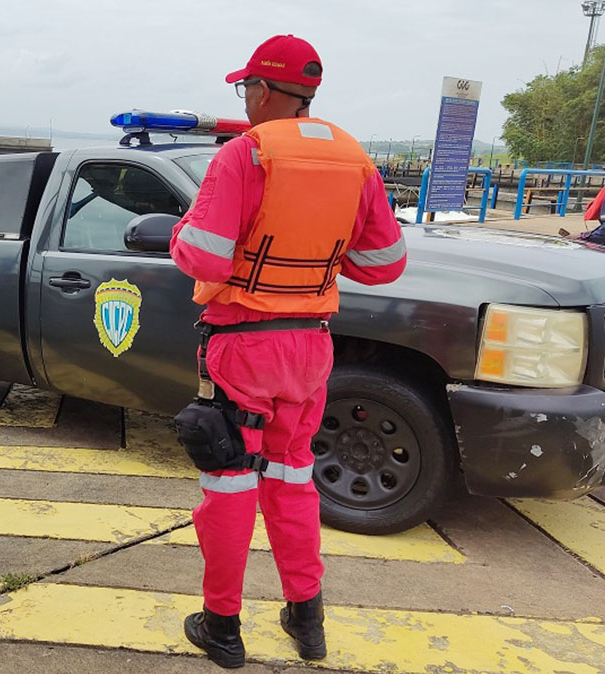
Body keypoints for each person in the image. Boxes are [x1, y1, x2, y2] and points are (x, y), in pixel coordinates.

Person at [169, 35, 406, 668]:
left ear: (266, 91)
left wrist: (179, 230)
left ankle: (221, 626)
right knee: (294, 478)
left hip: (244, 346)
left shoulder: (245, 156)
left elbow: (205, 257)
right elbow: (384, 264)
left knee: (228, 479)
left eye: (246, 87)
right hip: (311, 350)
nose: (245, 98)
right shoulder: (355, 160)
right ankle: (308, 619)